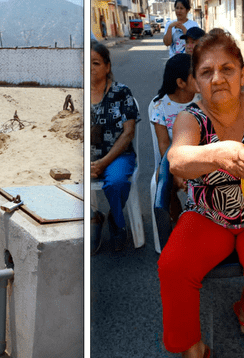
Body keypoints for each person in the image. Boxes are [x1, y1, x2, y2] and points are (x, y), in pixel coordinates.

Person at [158, 29, 244, 358]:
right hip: (207, 215)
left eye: (227, 69)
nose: (217, 79)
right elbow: (176, 160)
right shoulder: (192, 118)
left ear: (242, 74)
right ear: (197, 82)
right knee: (173, 267)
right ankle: (192, 345)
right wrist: (218, 154)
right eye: (206, 72)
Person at [90, 42, 140, 253]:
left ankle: (116, 221)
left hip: (118, 154)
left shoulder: (121, 92)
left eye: (96, 63)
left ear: (107, 67)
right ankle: (94, 217)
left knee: (117, 182)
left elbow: (128, 132)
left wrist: (102, 163)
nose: (90, 68)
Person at [149, 53, 198, 220]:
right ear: (180, 83)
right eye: (195, 75)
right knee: (163, 182)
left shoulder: (203, 99)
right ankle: (176, 218)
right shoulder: (160, 106)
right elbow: (163, 144)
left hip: (202, 155)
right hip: (173, 158)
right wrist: (176, 170)